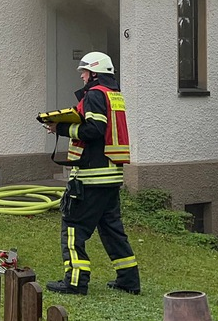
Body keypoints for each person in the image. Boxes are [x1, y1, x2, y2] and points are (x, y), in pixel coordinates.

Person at [45, 51, 141, 296]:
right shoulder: (113, 95)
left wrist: (63, 127)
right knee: (112, 230)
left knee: (73, 226)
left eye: (84, 72)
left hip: (91, 177)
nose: (82, 77)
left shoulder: (95, 95)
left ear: (95, 73)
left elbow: (95, 129)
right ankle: (128, 280)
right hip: (110, 177)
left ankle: (75, 282)